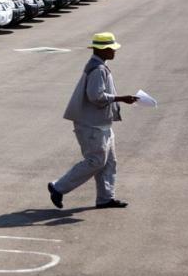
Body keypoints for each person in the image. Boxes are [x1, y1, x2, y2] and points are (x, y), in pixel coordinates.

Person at [48, 32, 138, 209]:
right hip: (92, 126)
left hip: (101, 124)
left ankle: (105, 198)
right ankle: (58, 187)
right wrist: (120, 98)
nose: (114, 52)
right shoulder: (97, 69)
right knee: (96, 161)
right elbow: (95, 96)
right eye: (111, 49)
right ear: (103, 50)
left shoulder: (99, 66)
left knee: (109, 162)